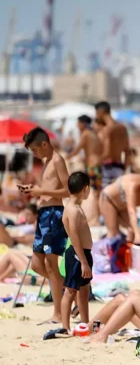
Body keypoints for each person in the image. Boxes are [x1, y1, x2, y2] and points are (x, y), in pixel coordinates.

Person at [21, 127, 71, 325]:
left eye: (35, 150)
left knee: (51, 265)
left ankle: (58, 313)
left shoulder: (57, 160)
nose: (34, 154)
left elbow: (68, 190)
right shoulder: (47, 161)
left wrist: (41, 190)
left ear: (44, 144)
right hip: (44, 215)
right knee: (36, 264)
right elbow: (49, 189)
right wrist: (35, 191)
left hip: (53, 215)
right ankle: (65, 286)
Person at [60, 172, 94, 334]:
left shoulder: (76, 207)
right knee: (70, 290)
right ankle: (65, 326)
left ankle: (85, 323)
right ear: (85, 188)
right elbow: (74, 236)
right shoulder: (72, 209)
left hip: (83, 253)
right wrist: (83, 261)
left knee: (84, 289)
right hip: (77, 254)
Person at [99, 170, 140, 244]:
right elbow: (132, 211)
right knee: (114, 234)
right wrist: (138, 235)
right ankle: (103, 249)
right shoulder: (132, 186)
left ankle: (127, 252)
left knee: (132, 231)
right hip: (108, 200)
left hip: (122, 206)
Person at [68, 115, 103, 225]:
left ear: (83, 123)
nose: (77, 126)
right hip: (97, 165)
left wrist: (66, 157)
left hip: (92, 166)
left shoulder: (86, 134)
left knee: (91, 193)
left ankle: (96, 219)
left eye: (78, 123)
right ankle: (99, 218)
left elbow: (77, 149)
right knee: (97, 193)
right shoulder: (93, 134)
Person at [96, 101, 134, 188]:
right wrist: (124, 168)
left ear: (100, 112)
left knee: (105, 198)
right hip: (119, 166)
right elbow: (128, 151)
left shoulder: (107, 129)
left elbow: (107, 152)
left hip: (106, 168)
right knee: (118, 197)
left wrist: (95, 162)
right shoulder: (122, 127)